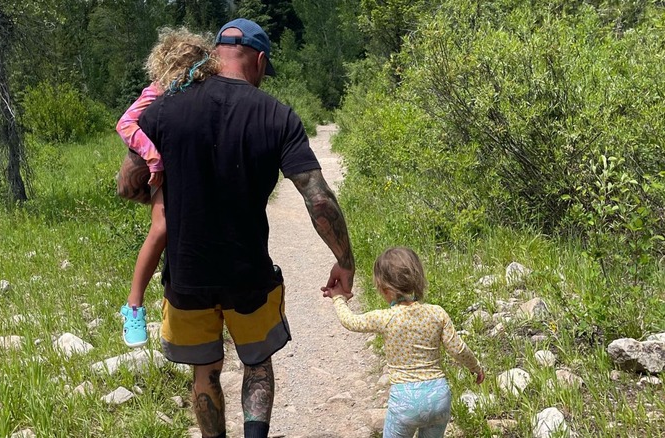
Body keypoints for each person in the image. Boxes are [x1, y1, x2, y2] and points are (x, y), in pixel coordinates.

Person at [138, 18, 355, 438]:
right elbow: (318, 197)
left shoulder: (164, 108)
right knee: (256, 364)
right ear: (257, 61)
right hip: (248, 273)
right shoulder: (275, 114)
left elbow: (130, 181)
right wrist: (344, 259)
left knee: (205, 370)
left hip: (187, 274)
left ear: (215, 53)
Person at [115, 28, 220, 348]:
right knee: (161, 229)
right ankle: (133, 307)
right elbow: (125, 124)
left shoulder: (203, 93)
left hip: (193, 171)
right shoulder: (157, 91)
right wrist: (153, 157)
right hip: (164, 172)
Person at [322, 246, 485, 438]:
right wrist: (476, 368)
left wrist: (338, 298)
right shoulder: (437, 313)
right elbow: (458, 349)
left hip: (406, 402)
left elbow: (350, 321)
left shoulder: (386, 318)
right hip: (439, 397)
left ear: (384, 289)